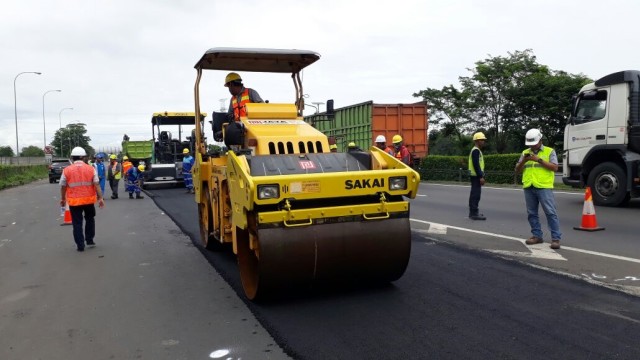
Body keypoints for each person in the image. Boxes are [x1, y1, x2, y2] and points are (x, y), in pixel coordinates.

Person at [515, 128, 562, 250]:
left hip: (544, 186)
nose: (532, 146)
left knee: (550, 213)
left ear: (540, 140)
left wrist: (539, 160)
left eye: (534, 143)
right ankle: (537, 235)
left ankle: (556, 239)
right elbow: (517, 170)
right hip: (529, 186)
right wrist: (524, 160)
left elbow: (555, 168)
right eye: (530, 143)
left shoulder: (549, 151)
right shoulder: (525, 152)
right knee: (531, 213)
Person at [59, 146, 105, 252]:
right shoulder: (91, 168)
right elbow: (96, 184)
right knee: (90, 219)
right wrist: (100, 198)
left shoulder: (67, 170)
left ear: (72, 157)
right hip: (88, 200)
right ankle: (89, 240)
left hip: (74, 202)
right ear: (82, 157)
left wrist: (63, 199)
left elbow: (63, 185)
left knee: (77, 223)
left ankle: (80, 245)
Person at [468, 132, 487, 220]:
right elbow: (476, 165)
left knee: (475, 194)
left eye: (483, 140)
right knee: (475, 195)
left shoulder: (477, 150)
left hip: (475, 176)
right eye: (482, 140)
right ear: (477, 141)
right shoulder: (475, 150)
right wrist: (481, 176)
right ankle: (473, 213)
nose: (483, 141)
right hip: (476, 176)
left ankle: (474, 212)